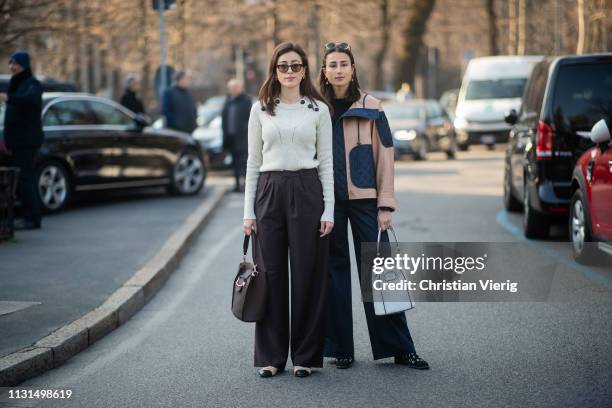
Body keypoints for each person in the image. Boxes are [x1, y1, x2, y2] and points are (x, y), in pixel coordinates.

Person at [319, 42, 429, 370]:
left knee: (381, 274)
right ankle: (341, 350)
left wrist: (386, 205)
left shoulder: (372, 107)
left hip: (367, 202)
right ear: (324, 71)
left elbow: (386, 156)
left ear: (353, 69)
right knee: (334, 275)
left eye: (344, 64)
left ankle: (400, 348)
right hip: (329, 204)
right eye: (332, 64)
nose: (338, 69)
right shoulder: (316, 108)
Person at [243, 41, 334, 378]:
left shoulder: (318, 110)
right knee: (270, 275)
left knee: (308, 274)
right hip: (268, 191)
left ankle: (305, 357)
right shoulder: (261, 109)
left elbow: (326, 164)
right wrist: (247, 213)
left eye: (296, 66)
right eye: (284, 66)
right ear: (275, 70)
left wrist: (329, 211)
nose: (291, 71)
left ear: (305, 70)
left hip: (308, 191)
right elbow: (253, 161)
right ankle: (271, 356)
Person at [0, 51, 43, 230]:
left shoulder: (32, 83)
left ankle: (32, 219)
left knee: (26, 179)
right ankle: (30, 216)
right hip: (17, 140)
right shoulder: (16, 83)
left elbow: (30, 101)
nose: (12, 66)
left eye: (15, 63)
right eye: (10, 63)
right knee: (24, 178)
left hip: (26, 140)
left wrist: (9, 98)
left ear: (24, 65)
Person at [221, 79, 252, 192]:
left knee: (244, 162)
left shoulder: (246, 100)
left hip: (243, 137)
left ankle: (245, 184)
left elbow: (251, 119)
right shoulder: (228, 101)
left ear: (240, 88)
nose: (232, 90)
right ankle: (237, 184)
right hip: (231, 137)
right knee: (234, 163)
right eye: (231, 88)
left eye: (235, 88)